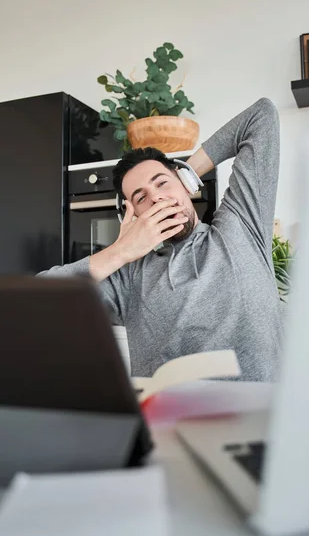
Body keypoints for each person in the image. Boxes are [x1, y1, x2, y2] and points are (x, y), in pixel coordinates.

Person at [40, 98, 283, 381]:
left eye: (162, 182)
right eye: (141, 197)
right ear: (132, 215)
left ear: (186, 186)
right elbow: (36, 301)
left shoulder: (240, 225)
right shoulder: (127, 278)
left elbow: (261, 117)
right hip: (171, 424)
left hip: (264, 420)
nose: (156, 197)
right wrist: (120, 251)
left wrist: (187, 172)